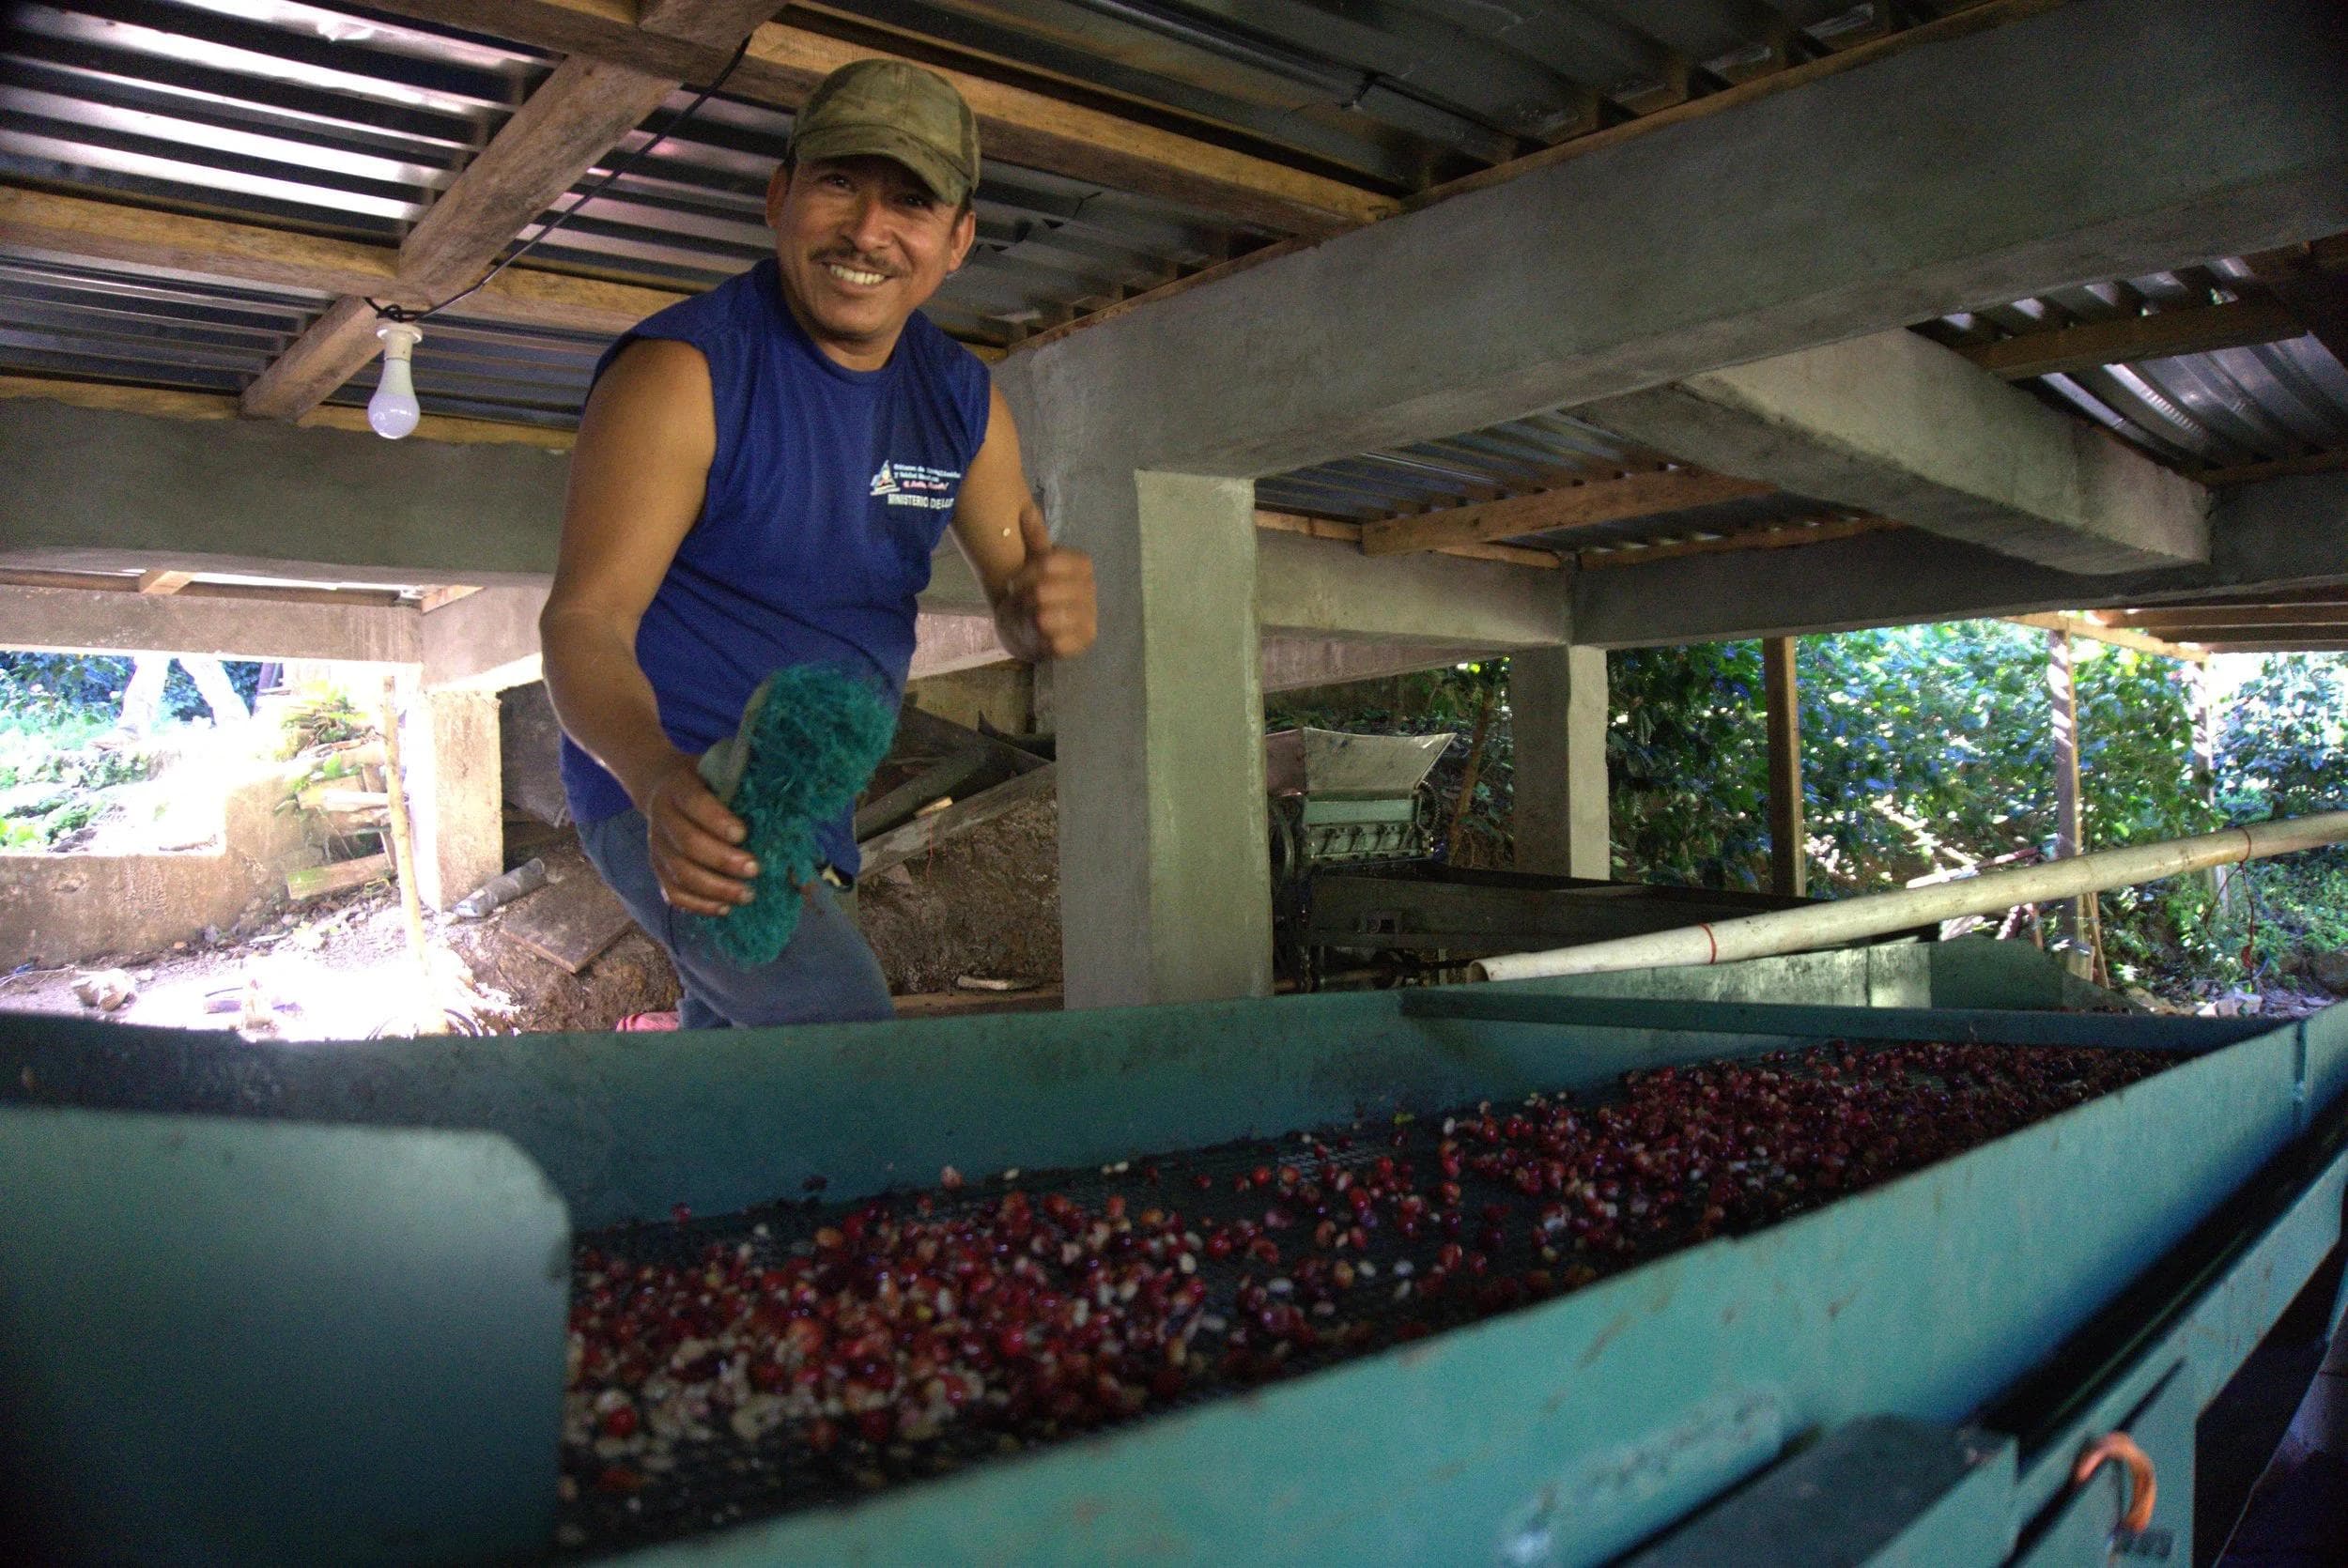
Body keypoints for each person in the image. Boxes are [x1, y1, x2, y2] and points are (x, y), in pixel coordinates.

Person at [540, 58, 1097, 1028]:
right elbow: (584, 621)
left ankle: (673, 1182)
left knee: (752, 1072)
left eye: (911, 202)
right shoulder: (682, 375)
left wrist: (1036, 612)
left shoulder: (962, 401)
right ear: (779, 195)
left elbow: (1018, 590)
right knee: (837, 1037)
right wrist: (659, 777)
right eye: (839, 183)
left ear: (957, 238)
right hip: (683, 788)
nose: (867, 231)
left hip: (807, 794)